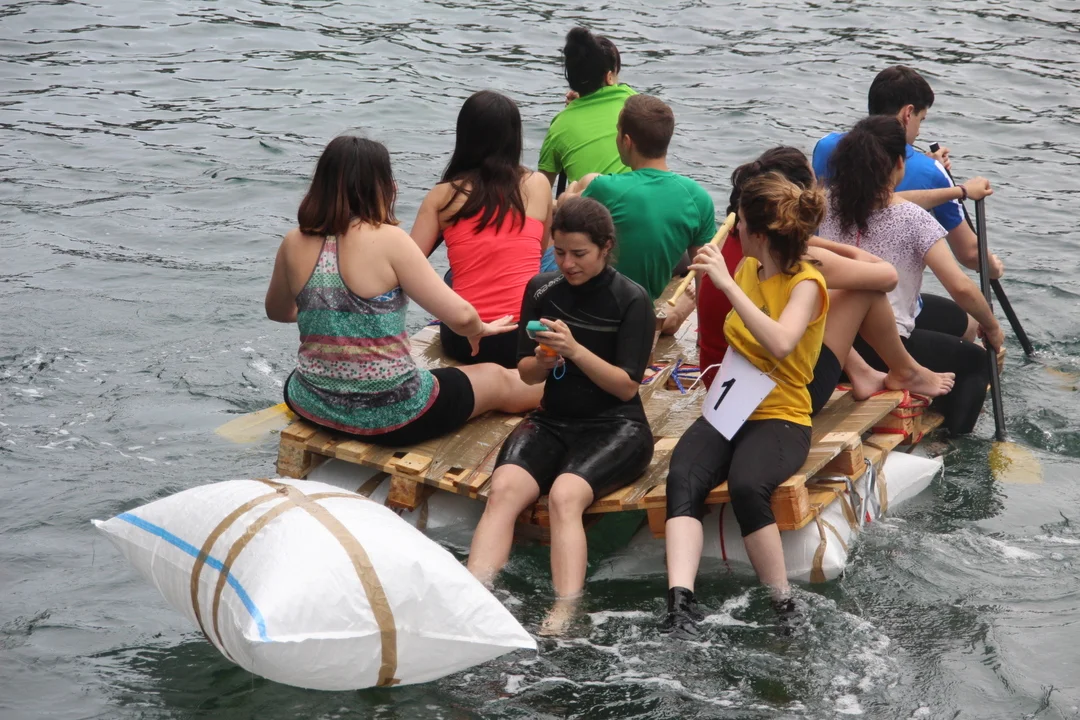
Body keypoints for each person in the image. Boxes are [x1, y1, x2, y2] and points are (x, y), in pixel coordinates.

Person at [265, 136, 541, 446]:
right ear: (381, 187)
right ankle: (571, 388)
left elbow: (277, 311)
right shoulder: (390, 239)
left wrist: (327, 310)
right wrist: (479, 329)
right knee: (496, 377)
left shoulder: (293, 242)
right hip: (393, 414)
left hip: (311, 401)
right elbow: (462, 317)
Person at [467, 195, 656, 633]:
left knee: (564, 497)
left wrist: (574, 350)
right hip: (553, 419)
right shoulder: (541, 289)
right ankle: (474, 595)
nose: (568, 264)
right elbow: (525, 373)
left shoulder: (631, 300)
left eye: (579, 254)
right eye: (560, 252)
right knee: (504, 489)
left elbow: (626, 386)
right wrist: (543, 361)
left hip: (617, 426)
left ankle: (565, 611)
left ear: (606, 247)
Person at [661, 173, 828, 639]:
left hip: (782, 413)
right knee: (683, 474)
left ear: (758, 234)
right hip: (732, 401)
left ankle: (783, 604)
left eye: (740, 226)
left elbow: (781, 341)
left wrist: (726, 285)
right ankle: (680, 603)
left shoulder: (807, 283)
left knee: (748, 484)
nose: (733, 232)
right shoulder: (748, 270)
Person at [698, 147, 955, 401]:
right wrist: (828, 246)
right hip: (772, 389)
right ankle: (904, 370)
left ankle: (864, 372)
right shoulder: (796, 258)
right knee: (863, 290)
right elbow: (886, 276)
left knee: (812, 298)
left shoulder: (739, 245)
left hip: (721, 376)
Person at [818, 116, 1004, 435]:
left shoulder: (825, 202)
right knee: (977, 361)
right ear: (899, 164)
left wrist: (958, 191)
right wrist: (993, 327)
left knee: (964, 323)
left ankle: (930, 391)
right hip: (884, 351)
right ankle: (948, 440)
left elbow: (896, 200)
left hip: (831, 346)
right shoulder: (913, 219)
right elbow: (960, 287)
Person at [812, 64, 1003, 290]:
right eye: (921, 119)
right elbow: (969, 254)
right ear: (908, 113)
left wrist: (928, 164)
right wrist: (993, 267)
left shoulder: (825, 146)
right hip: (887, 293)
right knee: (965, 315)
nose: (919, 131)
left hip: (825, 282)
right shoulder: (931, 173)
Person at [410, 91, 552, 368]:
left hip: (465, 340)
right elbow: (540, 250)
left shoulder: (443, 196)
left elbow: (407, 266)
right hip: (523, 338)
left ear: (464, 137)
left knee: (451, 277)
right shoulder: (538, 184)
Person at [564, 94, 717, 302]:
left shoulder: (606, 188)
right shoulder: (699, 198)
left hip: (598, 304)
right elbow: (704, 275)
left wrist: (571, 190)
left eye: (617, 132)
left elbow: (564, 214)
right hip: (645, 308)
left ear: (627, 142)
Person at [538, 27, 635, 188]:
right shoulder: (632, 101)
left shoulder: (559, 125)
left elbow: (541, 188)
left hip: (589, 204)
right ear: (609, 77)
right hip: (638, 199)